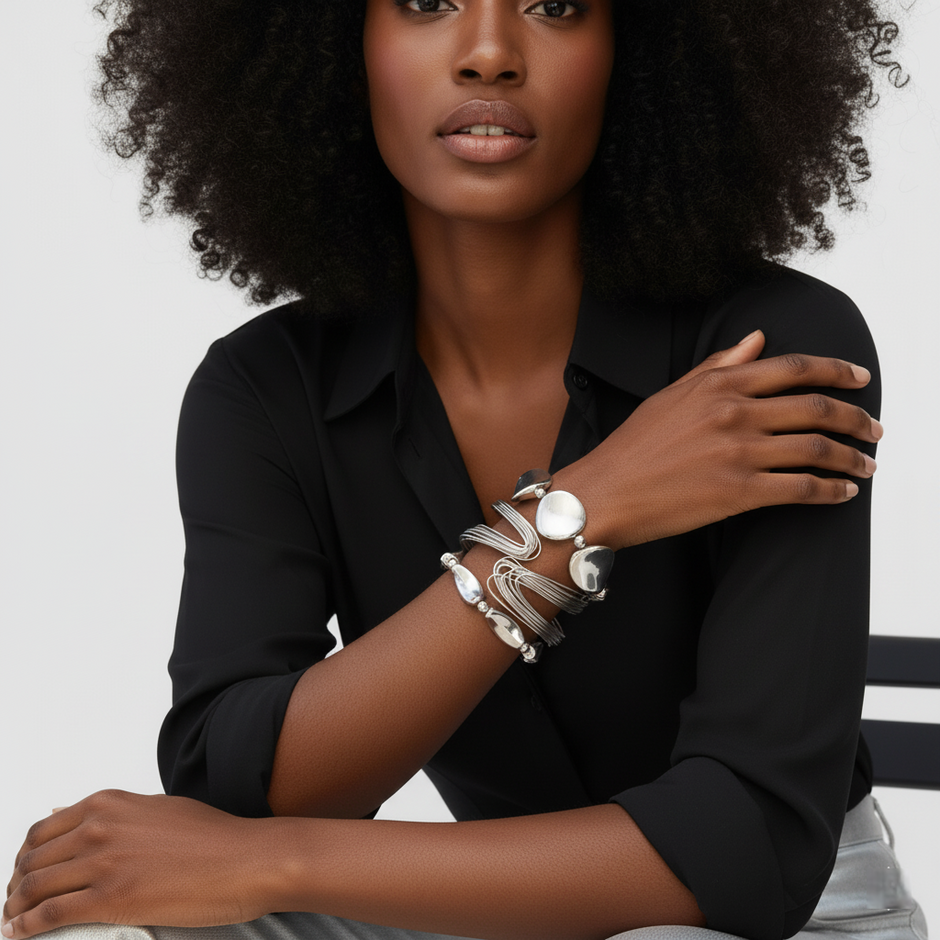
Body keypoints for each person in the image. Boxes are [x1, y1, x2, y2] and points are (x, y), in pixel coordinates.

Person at [2, 0, 929, 938]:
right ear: (340, 47)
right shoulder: (266, 389)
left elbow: (751, 846)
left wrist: (269, 862)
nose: (490, 53)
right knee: (124, 909)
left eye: (557, 5)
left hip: (775, 919)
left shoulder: (769, 352)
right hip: (492, 903)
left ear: (636, 53)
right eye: (427, 3)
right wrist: (579, 512)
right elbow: (230, 788)